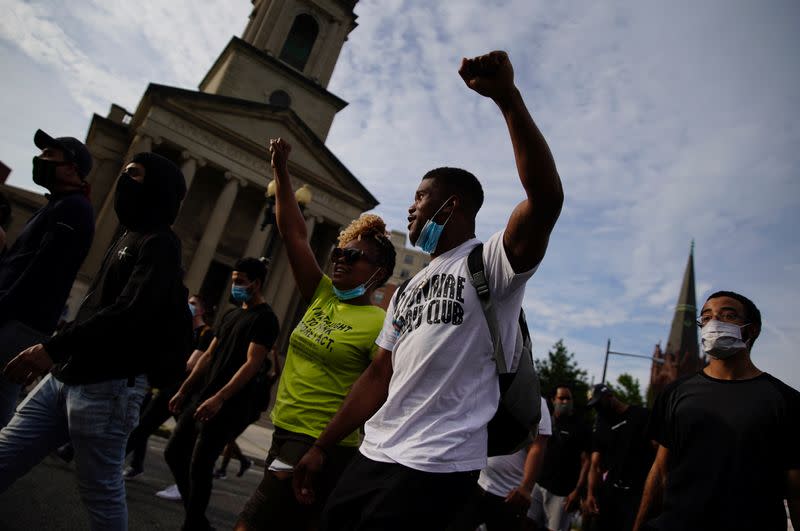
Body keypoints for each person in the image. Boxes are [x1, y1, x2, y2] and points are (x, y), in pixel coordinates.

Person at [293, 50, 564, 531]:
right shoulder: (407, 288)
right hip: (375, 452)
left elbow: (546, 200)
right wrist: (322, 445)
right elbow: (378, 376)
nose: (411, 207)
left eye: (421, 196)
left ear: (451, 204)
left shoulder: (493, 264)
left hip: (437, 465)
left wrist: (507, 100)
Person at [0, 151, 189, 531]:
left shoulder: (160, 244)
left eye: (133, 175)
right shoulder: (128, 234)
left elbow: (129, 311)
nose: (123, 181)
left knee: (101, 495)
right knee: (5, 454)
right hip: (66, 376)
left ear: (157, 187)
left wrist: (53, 347)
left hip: (107, 388)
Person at [234, 138, 396, 530]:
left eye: (352, 256)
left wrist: (322, 446)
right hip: (285, 429)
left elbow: (378, 390)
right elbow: (294, 234)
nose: (339, 259)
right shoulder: (322, 294)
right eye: (339, 252)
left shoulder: (380, 324)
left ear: (379, 273)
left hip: (319, 443)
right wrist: (281, 171)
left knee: (250, 524)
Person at [633, 291, 800, 531]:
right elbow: (659, 471)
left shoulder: (786, 400)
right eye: (707, 317)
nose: (714, 323)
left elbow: (796, 490)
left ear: (751, 330)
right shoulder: (674, 393)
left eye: (728, 316)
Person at [165, 257, 280, 531]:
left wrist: (220, 398)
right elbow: (208, 355)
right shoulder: (231, 314)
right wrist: (184, 389)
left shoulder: (265, 319)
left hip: (229, 404)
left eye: (240, 282)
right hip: (203, 396)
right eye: (233, 281)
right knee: (173, 452)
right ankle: (198, 518)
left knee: (200, 463)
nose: (236, 286)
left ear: (256, 283)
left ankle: (193, 523)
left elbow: (252, 364)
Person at [0, 129, 94, 427]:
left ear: (73, 168)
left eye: (50, 155)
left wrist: (2, 308)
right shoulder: (58, 205)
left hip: (20, 319)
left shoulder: (74, 209)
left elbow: (42, 272)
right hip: (15, 315)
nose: (40, 159)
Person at [123, 293, 215, 480]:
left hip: (185, 393)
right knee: (142, 426)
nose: (188, 305)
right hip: (170, 388)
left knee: (180, 440)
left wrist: (168, 364)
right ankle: (132, 465)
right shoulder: (182, 331)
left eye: (192, 303)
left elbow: (190, 364)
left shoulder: (206, 333)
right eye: (187, 302)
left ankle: (190, 481)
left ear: (202, 310)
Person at [449, 397, 552, 530]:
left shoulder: (535, 399)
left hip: (509, 494)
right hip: (478, 483)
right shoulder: (491, 388)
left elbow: (538, 445)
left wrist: (526, 488)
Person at [584, 384, 654, 531]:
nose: (598, 409)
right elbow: (595, 464)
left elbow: (659, 453)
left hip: (637, 495)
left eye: (599, 404)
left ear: (609, 396)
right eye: (594, 406)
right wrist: (590, 494)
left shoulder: (641, 416)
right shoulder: (600, 425)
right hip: (609, 493)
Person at [526, 385, 591, 531]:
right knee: (527, 523)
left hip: (562, 493)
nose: (565, 401)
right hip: (538, 485)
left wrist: (577, 491)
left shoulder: (580, 427)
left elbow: (586, 460)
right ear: (553, 400)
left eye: (569, 398)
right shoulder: (544, 420)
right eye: (562, 398)